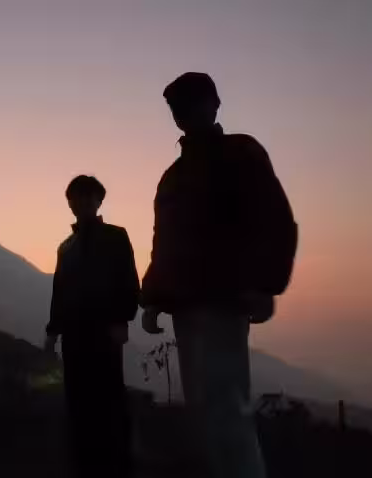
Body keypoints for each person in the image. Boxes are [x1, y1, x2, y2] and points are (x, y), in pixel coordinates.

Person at [141, 72, 298, 478]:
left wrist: (266, 284)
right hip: (184, 305)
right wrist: (153, 298)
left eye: (190, 102)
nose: (182, 112)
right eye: (176, 106)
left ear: (214, 104)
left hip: (225, 300)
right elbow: (163, 241)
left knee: (227, 408)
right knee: (202, 410)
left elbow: (274, 218)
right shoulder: (172, 176)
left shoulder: (241, 152)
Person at [45, 175, 140, 478]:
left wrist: (122, 319)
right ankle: (84, 466)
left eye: (89, 196)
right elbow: (59, 290)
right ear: (69, 203)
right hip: (74, 334)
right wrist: (52, 331)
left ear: (99, 201)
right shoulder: (66, 247)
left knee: (110, 400)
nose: (83, 202)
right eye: (77, 197)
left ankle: (117, 467)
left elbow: (129, 280)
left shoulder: (116, 236)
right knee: (78, 400)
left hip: (105, 331)